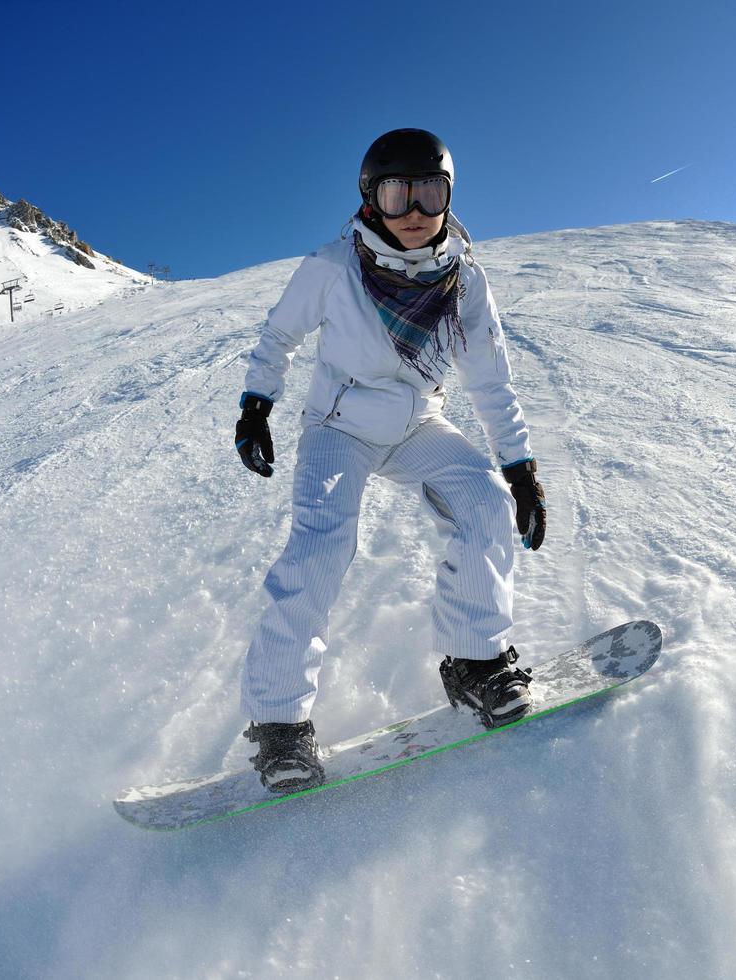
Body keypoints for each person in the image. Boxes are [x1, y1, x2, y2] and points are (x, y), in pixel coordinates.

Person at [233, 128, 546, 793]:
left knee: (485, 503)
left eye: (428, 192)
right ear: (370, 200)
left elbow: (491, 382)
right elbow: (280, 334)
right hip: (337, 429)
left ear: (447, 197)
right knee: (320, 548)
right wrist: (257, 404)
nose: (413, 210)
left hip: (414, 424)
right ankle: (279, 725)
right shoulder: (334, 266)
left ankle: (476, 665)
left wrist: (520, 470)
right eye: (396, 192)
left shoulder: (464, 283)